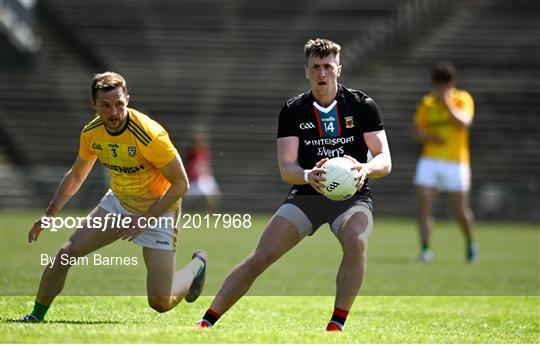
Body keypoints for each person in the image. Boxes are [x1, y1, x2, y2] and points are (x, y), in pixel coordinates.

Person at [195, 38, 391, 332]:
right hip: (307, 194)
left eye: (327, 66)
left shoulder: (362, 106)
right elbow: (287, 168)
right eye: (316, 67)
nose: (322, 73)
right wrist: (307, 175)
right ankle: (206, 321)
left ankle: (336, 324)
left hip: (352, 197)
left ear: (339, 69)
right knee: (261, 256)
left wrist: (365, 168)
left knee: (356, 243)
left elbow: (384, 160)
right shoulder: (293, 110)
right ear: (307, 71)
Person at [17, 72, 207, 322]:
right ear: (93, 105)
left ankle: (196, 267)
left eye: (119, 104)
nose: (114, 112)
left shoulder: (149, 134)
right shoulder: (92, 133)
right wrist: (49, 214)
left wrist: (147, 218)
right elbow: (76, 175)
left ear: (127, 99)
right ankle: (35, 316)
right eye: (106, 106)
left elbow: (181, 183)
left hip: (159, 210)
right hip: (117, 204)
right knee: (65, 254)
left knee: (161, 302)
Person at [413, 61, 477, 263]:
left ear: (451, 83)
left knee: (459, 210)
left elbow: (464, 122)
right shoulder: (427, 103)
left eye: (445, 84)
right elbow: (418, 131)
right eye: (438, 84)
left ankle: (470, 242)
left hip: (456, 161)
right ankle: (425, 249)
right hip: (430, 161)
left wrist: (447, 102)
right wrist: (430, 138)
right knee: (424, 206)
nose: (441, 88)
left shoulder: (462, 98)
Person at [184, 132, 221, 212]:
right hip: (194, 180)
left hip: (203, 178)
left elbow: (206, 166)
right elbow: (190, 168)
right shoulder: (192, 154)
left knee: (214, 195)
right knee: (185, 201)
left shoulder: (205, 152)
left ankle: (211, 214)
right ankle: (182, 213)